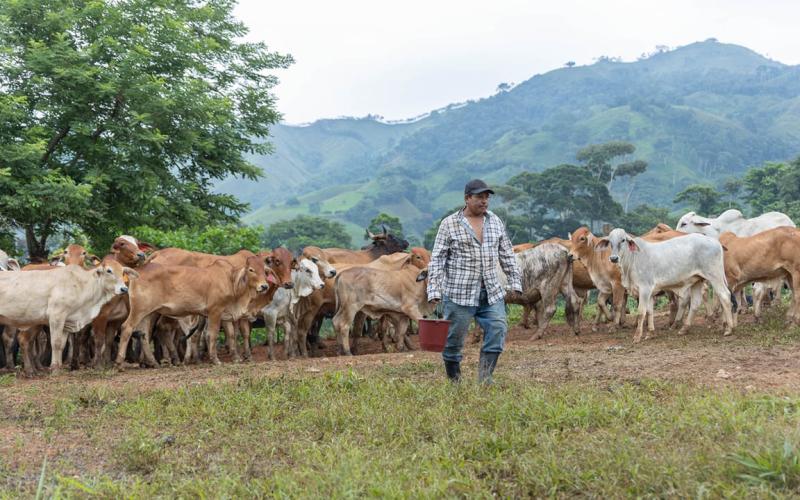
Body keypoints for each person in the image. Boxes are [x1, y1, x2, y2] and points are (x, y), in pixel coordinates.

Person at [427, 179, 522, 383]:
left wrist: (515, 281)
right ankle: (455, 381)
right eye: (479, 197)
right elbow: (437, 259)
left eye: (487, 197)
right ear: (467, 198)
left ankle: (485, 379)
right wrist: (434, 290)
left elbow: (506, 254)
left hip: (490, 292)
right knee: (453, 341)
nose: (484, 201)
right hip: (459, 294)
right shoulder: (449, 224)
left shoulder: (494, 221)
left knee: (497, 330)